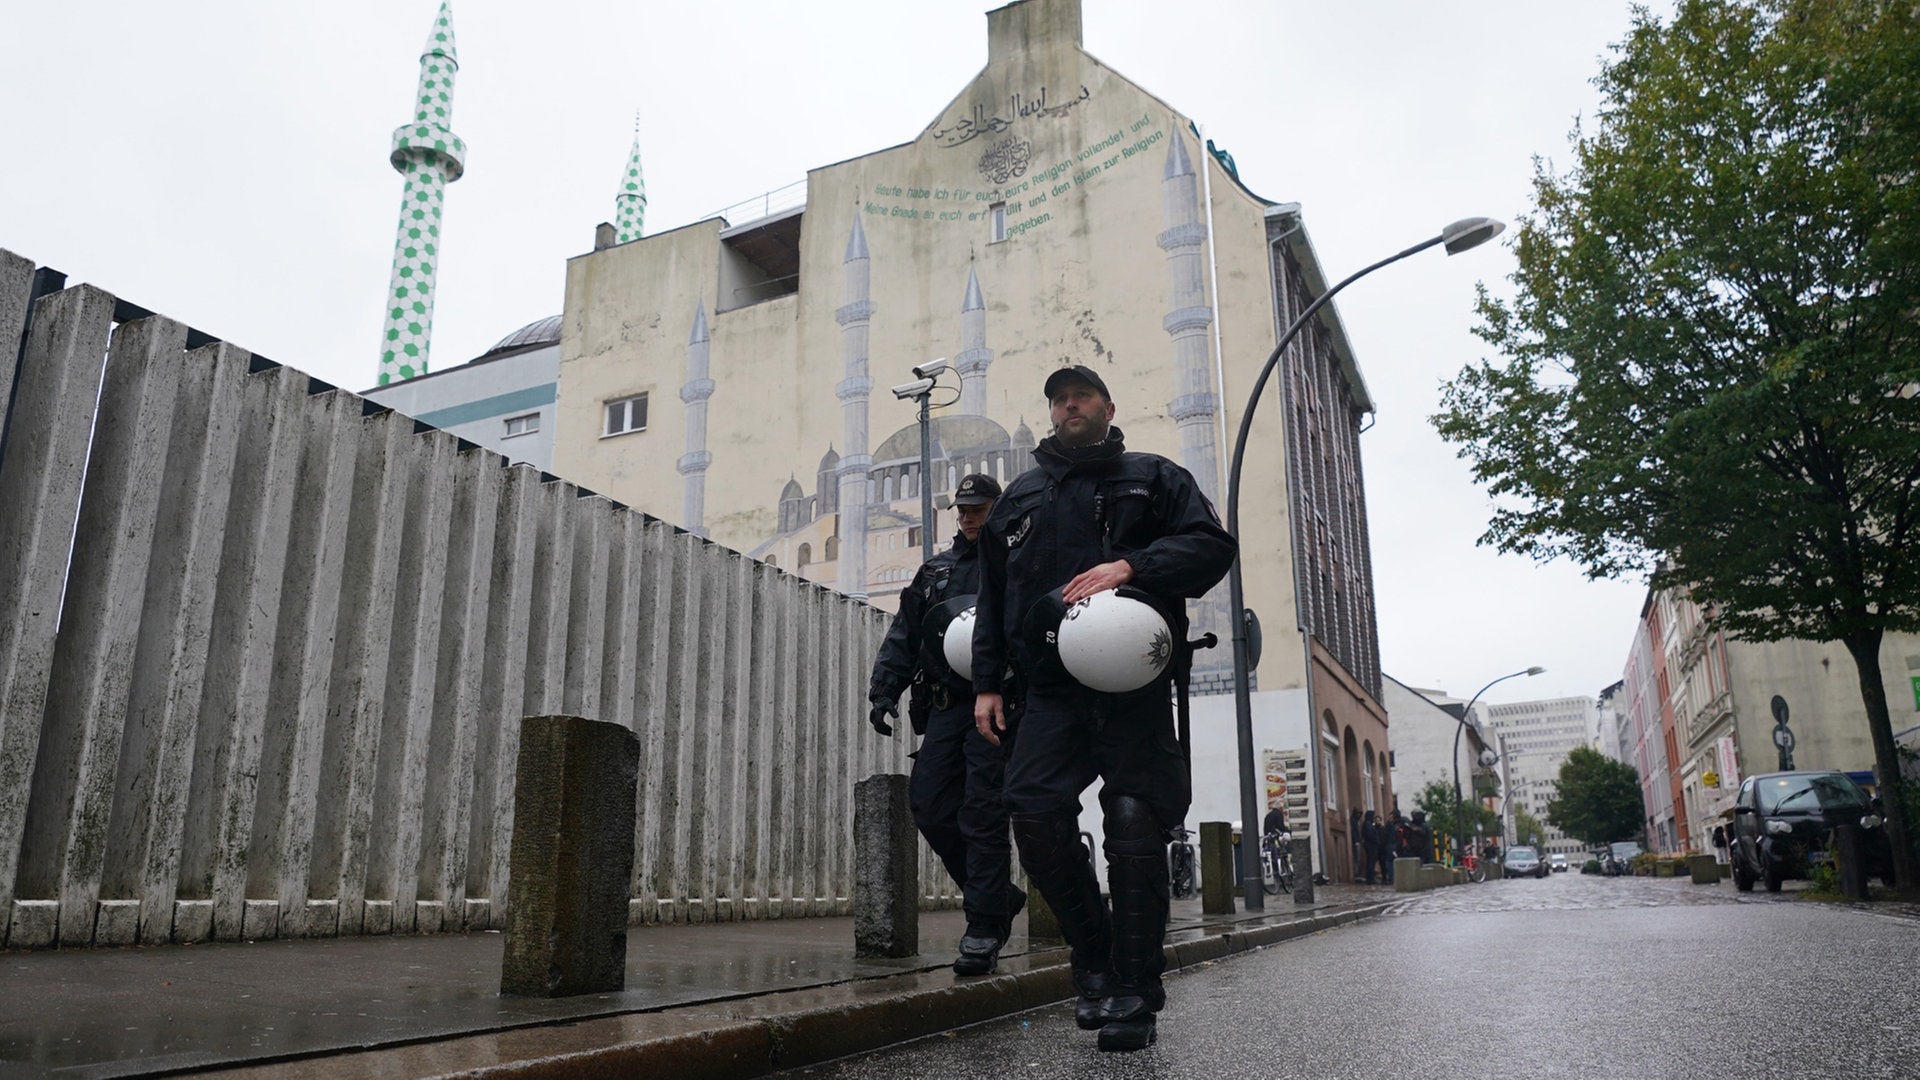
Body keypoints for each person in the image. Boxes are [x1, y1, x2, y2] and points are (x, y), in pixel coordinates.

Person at [972, 365, 1236, 1053]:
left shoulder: (1153, 477)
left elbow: (1211, 548)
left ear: (1106, 406)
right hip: (1048, 689)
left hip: (1132, 685)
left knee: (1132, 823)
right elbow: (993, 599)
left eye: (1080, 396)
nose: (1068, 407)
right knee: (1032, 813)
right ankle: (1093, 959)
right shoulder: (1018, 499)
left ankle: (1134, 989)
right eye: (1058, 399)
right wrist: (987, 684)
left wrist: (1133, 567)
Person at [866, 473, 1023, 975]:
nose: (969, 517)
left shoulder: (1016, 564)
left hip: (996, 703)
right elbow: (905, 634)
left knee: (983, 813)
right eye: (962, 509)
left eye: (978, 507)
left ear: (998, 508)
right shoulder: (936, 570)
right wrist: (884, 690)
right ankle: (998, 895)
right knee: (930, 807)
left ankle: (983, 926)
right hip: (943, 707)